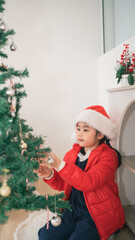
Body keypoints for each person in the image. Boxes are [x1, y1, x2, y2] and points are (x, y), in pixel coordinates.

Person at [35, 105, 125, 240]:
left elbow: (89, 182)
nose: (79, 133)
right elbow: (63, 184)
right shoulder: (72, 154)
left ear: (100, 134)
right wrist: (50, 174)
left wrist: (60, 165)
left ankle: (107, 232)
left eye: (85, 130)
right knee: (46, 235)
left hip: (96, 214)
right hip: (73, 209)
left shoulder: (108, 157)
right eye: (78, 129)